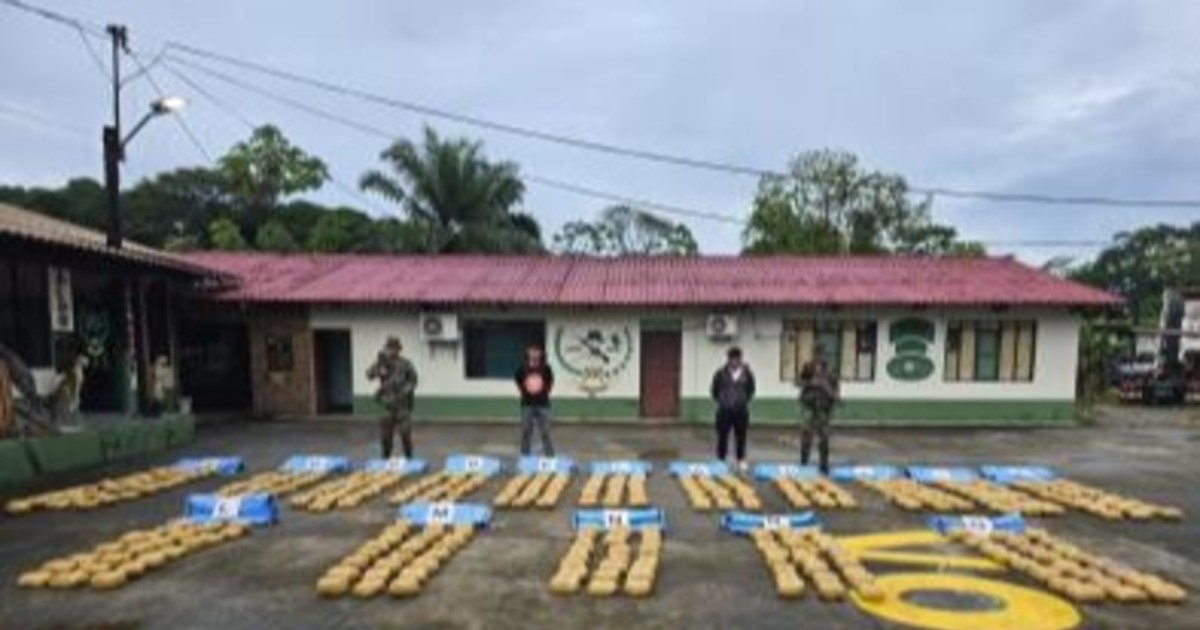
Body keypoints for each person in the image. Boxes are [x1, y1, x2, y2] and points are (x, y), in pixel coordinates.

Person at [366, 337, 418, 459]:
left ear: (399, 349)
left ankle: (409, 460)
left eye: (394, 348)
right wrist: (379, 367)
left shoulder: (406, 364)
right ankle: (385, 460)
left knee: (406, 434)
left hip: (402, 406)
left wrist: (404, 392)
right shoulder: (381, 363)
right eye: (389, 348)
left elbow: (413, 381)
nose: (392, 351)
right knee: (386, 437)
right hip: (386, 405)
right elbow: (369, 375)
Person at [710, 347, 755, 473]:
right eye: (732, 359)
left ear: (740, 360)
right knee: (722, 435)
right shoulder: (720, 373)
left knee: (741, 436)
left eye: (737, 359)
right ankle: (721, 459)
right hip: (724, 410)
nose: (734, 362)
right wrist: (722, 401)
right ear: (728, 360)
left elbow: (751, 390)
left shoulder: (747, 374)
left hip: (740, 410)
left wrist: (743, 400)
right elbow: (714, 390)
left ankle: (740, 460)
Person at [797, 344, 839, 475]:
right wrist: (811, 383)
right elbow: (798, 382)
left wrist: (825, 387)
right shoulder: (807, 368)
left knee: (824, 438)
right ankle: (804, 464)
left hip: (823, 410)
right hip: (809, 408)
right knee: (805, 438)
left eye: (821, 354)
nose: (818, 357)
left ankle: (824, 465)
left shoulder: (831, 372)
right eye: (816, 354)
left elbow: (836, 394)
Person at [514, 345, 555, 457]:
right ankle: (525, 456)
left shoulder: (546, 368)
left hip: (543, 405)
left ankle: (550, 456)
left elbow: (550, 381)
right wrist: (524, 391)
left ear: (541, 354)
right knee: (526, 431)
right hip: (527, 405)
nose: (535, 353)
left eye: (537, 351)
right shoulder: (523, 368)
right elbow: (517, 379)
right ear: (528, 353)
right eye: (532, 351)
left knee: (546, 432)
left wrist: (544, 392)